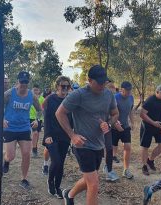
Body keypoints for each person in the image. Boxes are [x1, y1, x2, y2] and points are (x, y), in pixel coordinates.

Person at [56, 65, 119, 205]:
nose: (102, 85)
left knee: (89, 179)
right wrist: (72, 135)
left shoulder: (108, 94)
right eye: (99, 82)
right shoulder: (78, 95)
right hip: (82, 145)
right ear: (89, 80)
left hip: (98, 144)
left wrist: (109, 124)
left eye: (104, 82)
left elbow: (115, 114)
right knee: (94, 183)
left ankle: (69, 194)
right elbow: (59, 113)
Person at [2, 71, 42, 190]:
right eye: (21, 82)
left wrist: (37, 120)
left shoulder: (32, 95)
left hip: (24, 128)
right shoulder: (9, 94)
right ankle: (6, 161)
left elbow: (39, 110)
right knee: (11, 156)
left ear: (28, 82)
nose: (23, 84)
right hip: (10, 128)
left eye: (26, 82)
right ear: (17, 81)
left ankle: (24, 179)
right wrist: (2, 119)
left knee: (26, 154)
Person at [43, 76, 73, 199]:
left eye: (67, 86)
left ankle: (58, 187)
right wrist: (47, 135)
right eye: (63, 86)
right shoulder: (51, 99)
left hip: (65, 136)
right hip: (52, 136)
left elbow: (72, 119)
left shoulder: (70, 100)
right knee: (56, 161)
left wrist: (73, 134)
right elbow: (47, 118)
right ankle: (50, 182)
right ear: (57, 87)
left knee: (61, 163)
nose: (65, 88)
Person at [139, 84, 161, 175]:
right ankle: (144, 166)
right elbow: (142, 114)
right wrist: (153, 123)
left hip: (160, 126)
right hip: (148, 125)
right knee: (145, 146)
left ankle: (150, 160)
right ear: (157, 92)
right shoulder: (150, 100)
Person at [111, 81, 135, 179]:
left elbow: (130, 111)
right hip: (114, 127)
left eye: (130, 91)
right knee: (112, 148)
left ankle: (126, 170)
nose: (129, 93)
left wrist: (132, 122)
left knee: (128, 146)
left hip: (125, 126)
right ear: (122, 90)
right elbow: (111, 113)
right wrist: (116, 124)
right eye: (127, 91)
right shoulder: (115, 98)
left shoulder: (131, 98)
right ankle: (109, 169)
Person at [102, 79, 119, 182]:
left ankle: (108, 170)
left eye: (113, 88)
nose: (113, 89)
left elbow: (115, 113)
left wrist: (113, 122)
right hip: (94, 127)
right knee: (98, 151)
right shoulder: (97, 96)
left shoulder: (112, 98)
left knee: (109, 148)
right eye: (110, 87)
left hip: (107, 127)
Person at [29, 84, 45, 158]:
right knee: (34, 133)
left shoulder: (42, 99)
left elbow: (43, 109)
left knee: (37, 134)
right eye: (34, 90)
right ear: (32, 90)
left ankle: (34, 148)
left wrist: (43, 119)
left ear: (39, 91)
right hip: (29, 117)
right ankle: (33, 149)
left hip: (38, 118)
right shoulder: (29, 97)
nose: (35, 91)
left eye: (37, 90)